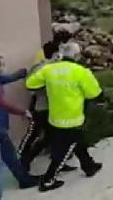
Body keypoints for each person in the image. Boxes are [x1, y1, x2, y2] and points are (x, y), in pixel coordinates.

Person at [25, 43, 103, 192]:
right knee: (63, 150)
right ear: (76, 56)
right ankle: (48, 180)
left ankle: (88, 166)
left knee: (78, 142)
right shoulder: (81, 72)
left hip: (55, 117)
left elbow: (30, 84)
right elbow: (95, 94)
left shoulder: (49, 69)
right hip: (73, 118)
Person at [0, 56, 38, 192]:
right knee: (10, 156)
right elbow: (4, 105)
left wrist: (26, 70)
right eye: (2, 65)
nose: (5, 67)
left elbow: (10, 77)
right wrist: (23, 112)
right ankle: (24, 180)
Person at [19, 40, 77, 174]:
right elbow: (31, 87)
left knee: (52, 137)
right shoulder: (42, 68)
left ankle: (57, 161)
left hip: (52, 107)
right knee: (36, 135)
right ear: (56, 53)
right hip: (42, 107)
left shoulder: (53, 66)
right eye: (61, 50)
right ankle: (24, 160)